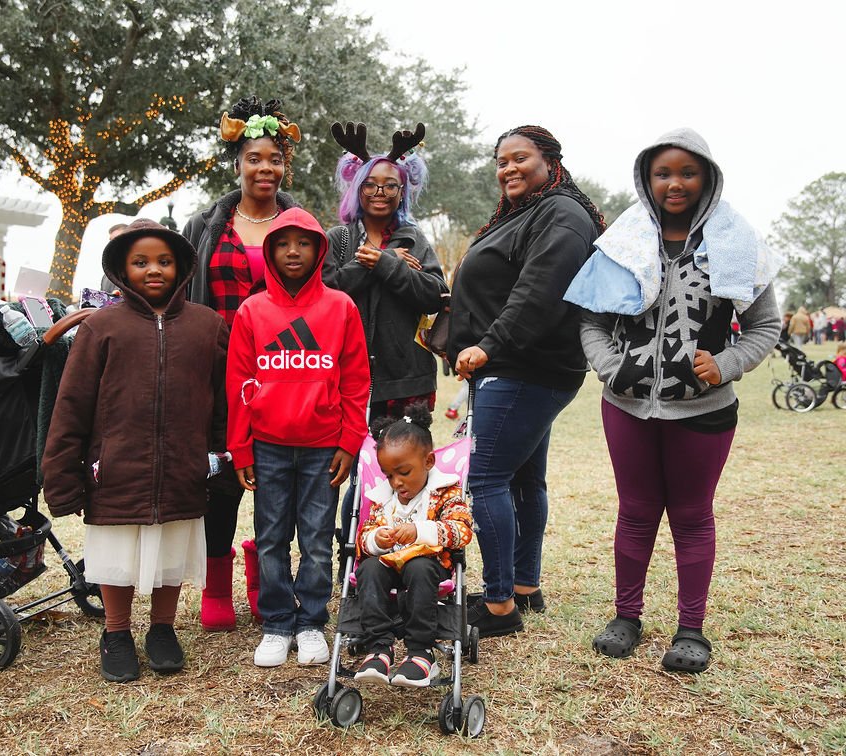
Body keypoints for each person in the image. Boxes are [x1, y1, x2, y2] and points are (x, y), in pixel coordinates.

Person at [569, 128, 780, 673]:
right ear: (647, 179)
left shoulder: (737, 245)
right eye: (663, 173)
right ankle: (626, 616)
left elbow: (765, 326)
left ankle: (691, 628)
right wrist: (612, 367)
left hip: (704, 411)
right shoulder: (622, 241)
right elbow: (591, 320)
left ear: (707, 177)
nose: (675, 183)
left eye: (688, 172)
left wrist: (726, 364)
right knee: (635, 513)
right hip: (627, 405)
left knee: (691, 516)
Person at [41, 219, 228, 682]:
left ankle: (162, 629)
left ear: (182, 267)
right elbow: (72, 404)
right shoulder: (101, 326)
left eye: (164, 261)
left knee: (171, 554)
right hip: (117, 470)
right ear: (122, 269)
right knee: (118, 557)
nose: (154, 270)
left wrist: (224, 458)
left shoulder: (208, 326)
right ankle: (117, 631)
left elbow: (222, 401)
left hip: (185, 466)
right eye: (141, 262)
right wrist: (62, 477)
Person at [448, 126, 605, 638]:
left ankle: (498, 608)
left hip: (523, 368)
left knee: (486, 479)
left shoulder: (562, 213)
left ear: (550, 159)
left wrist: (488, 345)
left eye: (521, 158)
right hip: (518, 368)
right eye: (501, 161)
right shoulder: (526, 213)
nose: (508, 168)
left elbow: (539, 293)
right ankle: (523, 586)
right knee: (522, 479)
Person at [226, 207, 369, 667]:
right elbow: (239, 382)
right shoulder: (253, 310)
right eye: (283, 243)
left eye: (304, 243)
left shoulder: (340, 307)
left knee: (315, 538)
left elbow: (355, 381)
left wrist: (349, 442)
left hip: (322, 448)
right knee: (269, 538)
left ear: (319, 250)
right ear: (270, 251)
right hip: (266, 446)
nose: (293, 251)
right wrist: (241, 446)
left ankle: (310, 623)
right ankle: (276, 623)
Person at [183, 96, 302, 631]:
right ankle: (215, 585)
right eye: (255, 158)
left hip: (284, 371)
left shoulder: (300, 225)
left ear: (285, 166)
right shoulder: (206, 224)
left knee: (280, 475)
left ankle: (266, 579)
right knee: (222, 475)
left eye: (275, 158)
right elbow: (181, 293)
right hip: (215, 368)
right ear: (238, 162)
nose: (265, 168)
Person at [323, 121, 448, 545]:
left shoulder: (415, 238)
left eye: (390, 185)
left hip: (405, 378)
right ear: (356, 188)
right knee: (341, 472)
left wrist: (390, 264)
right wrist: (372, 261)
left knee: (399, 472)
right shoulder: (337, 239)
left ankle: (401, 553)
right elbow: (325, 291)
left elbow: (433, 295)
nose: (380, 192)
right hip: (343, 378)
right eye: (371, 184)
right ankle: (348, 550)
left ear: (403, 191)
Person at [352, 402, 473, 688]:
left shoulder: (445, 492)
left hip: (427, 566)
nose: (396, 482)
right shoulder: (382, 498)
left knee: (419, 568)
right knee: (368, 569)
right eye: (389, 474)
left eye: (404, 472)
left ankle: (420, 652)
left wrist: (420, 531)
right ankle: (379, 648)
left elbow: (461, 530)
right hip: (389, 564)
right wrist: (374, 539)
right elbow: (364, 538)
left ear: (428, 462)